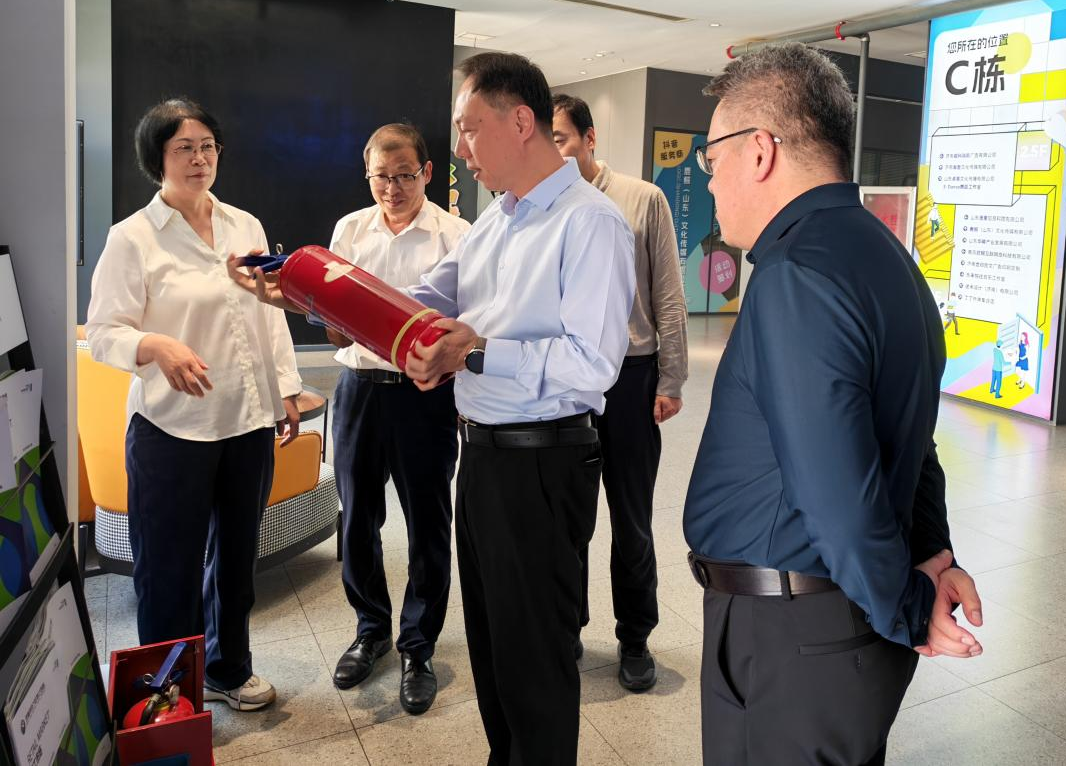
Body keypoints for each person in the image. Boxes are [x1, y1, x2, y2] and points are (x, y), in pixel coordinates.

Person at [232, 52, 635, 765]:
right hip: (482, 455)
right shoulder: (496, 222)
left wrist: (474, 353)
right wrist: (303, 294)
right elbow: (412, 305)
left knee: (535, 663)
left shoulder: (590, 223)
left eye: (469, 129)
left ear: (520, 122)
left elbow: (591, 363)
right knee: (493, 652)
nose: (460, 150)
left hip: (544, 465)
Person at [681, 44, 984, 766]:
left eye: (712, 158)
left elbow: (836, 492)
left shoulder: (798, 274)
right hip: (835, 632)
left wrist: (911, 609)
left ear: (760, 151)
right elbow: (910, 436)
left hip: (793, 642)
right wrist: (933, 554)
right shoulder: (890, 260)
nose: (711, 181)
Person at [86, 97, 301, 712]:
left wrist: (285, 388)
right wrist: (155, 345)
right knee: (168, 570)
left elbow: (269, 311)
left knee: (235, 561)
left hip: (245, 420)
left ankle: (228, 669)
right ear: (157, 158)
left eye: (208, 146)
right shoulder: (132, 237)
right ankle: (168, 694)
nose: (200, 158)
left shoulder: (244, 224)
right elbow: (103, 332)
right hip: (170, 428)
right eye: (184, 148)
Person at [326, 123, 470, 714]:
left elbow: (468, 323)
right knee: (357, 518)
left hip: (425, 396)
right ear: (368, 176)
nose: (393, 188)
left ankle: (418, 645)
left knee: (428, 522)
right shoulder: (349, 230)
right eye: (381, 177)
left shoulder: (457, 235)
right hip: (359, 389)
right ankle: (370, 630)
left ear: (428, 173)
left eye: (405, 176)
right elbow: (332, 319)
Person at [552, 94, 688, 690]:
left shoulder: (642, 198)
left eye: (561, 138)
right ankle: (570, 628)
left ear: (590, 138)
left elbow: (669, 296)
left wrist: (671, 378)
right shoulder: (547, 204)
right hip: (569, 382)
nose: (554, 151)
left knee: (631, 518)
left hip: (631, 377)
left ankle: (635, 636)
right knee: (570, 517)